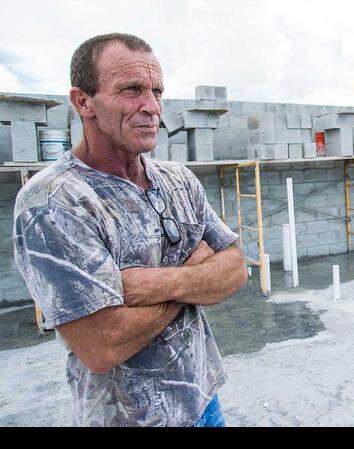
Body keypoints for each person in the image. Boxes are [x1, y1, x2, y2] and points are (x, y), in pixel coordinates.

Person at [11, 33, 248, 427]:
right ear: (82, 101)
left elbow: (237, 267)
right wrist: (194, 277)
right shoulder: (54, 201)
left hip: (203, 400)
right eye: (132, 90)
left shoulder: (178, 180)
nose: (152, 107)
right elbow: (102, 344)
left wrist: (148, 285)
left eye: (157, 91)